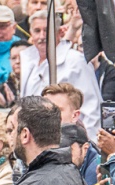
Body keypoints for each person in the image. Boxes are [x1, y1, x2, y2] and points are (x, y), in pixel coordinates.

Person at [19, 11, 100, 139]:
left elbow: (91, 109)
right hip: (33, 141)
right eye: (37, 30)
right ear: (30, 33)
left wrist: (89, 146)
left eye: (47, 30)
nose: (42, 36)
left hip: (68, 141)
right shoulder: (27, 60)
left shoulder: (76, 61)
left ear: (59, 32)